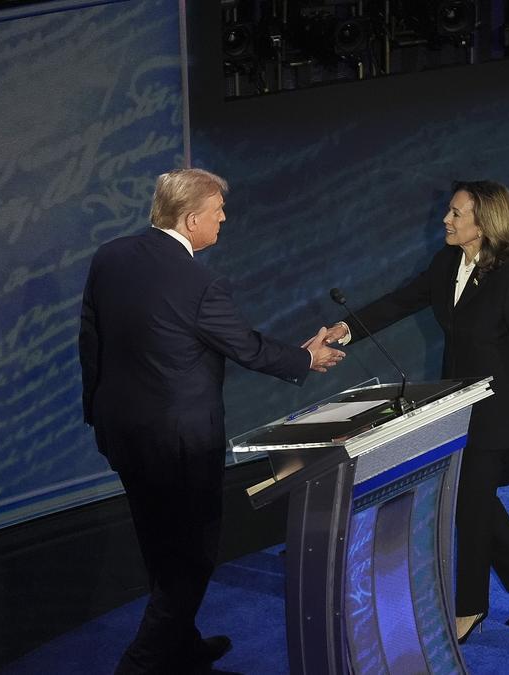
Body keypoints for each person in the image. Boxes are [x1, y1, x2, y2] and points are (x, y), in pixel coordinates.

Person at [79, 168, 344, 674]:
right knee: (193, 556)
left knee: (159, 544)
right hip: (180, 442)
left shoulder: (110, 257)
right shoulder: (200, 282)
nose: (224, 217)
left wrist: (99, 417)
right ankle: (140, 664)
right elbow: (244, 345)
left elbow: (90, 343)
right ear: (192, 217)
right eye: (218, 210)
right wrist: (306, 358)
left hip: (123, 432)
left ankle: (180, 646)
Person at [321, 180, 509, 644]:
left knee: (469, 507)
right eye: (449, 212)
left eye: (455, 213)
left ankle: (470, 608)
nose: (445, 220)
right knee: (476, 501)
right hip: (457, 405)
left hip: (498, 411)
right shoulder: (446, 262)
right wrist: (346, 328)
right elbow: (399, 301)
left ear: (484, 222)